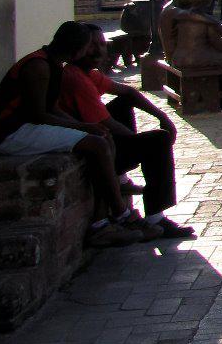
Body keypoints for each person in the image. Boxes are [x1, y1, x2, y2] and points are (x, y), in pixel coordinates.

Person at [0, 22, 145, 247]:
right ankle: (121, 214)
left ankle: (102, 221)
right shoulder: (38, 66)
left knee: (102, 139)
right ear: (78, 49)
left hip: (26, 127)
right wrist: (82, 128)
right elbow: (38, 114)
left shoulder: (53, 65)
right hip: (11, 133)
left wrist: (84, 126)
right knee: (97, 145)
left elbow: (51, 108)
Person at [64, 26, 195, 239]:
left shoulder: (88, 74)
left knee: (123, 102)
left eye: (101, 44)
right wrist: (142, 143)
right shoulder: (76, 79)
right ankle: (156, 217)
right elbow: (109, 125)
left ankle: (122, 177)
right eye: (91, 46)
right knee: (157, 141)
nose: (98, 51)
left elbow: (128, 91)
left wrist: (162, 116)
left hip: (101, 140)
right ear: (78, 48)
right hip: (96, 152)